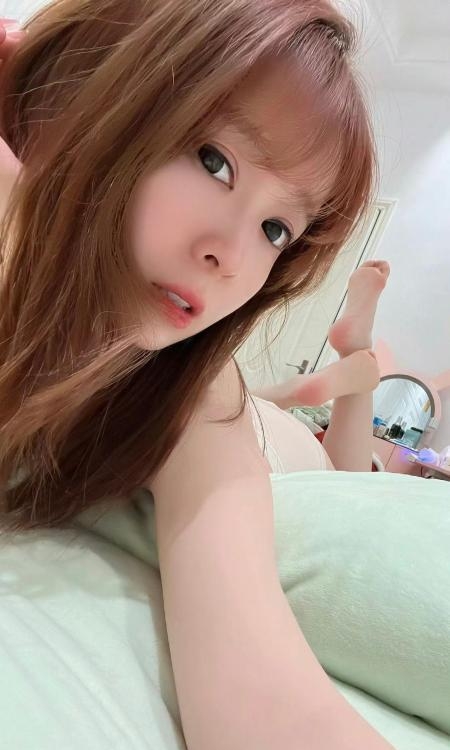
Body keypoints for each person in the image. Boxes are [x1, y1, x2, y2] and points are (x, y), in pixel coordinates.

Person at [0, 5, 394, 749]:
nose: (234, 258)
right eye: (214, 161)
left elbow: (264, 703)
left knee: (354, 466)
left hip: (281, 447)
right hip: (254, 410)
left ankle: (358, 360)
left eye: (277, 230)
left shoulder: (195, 401)